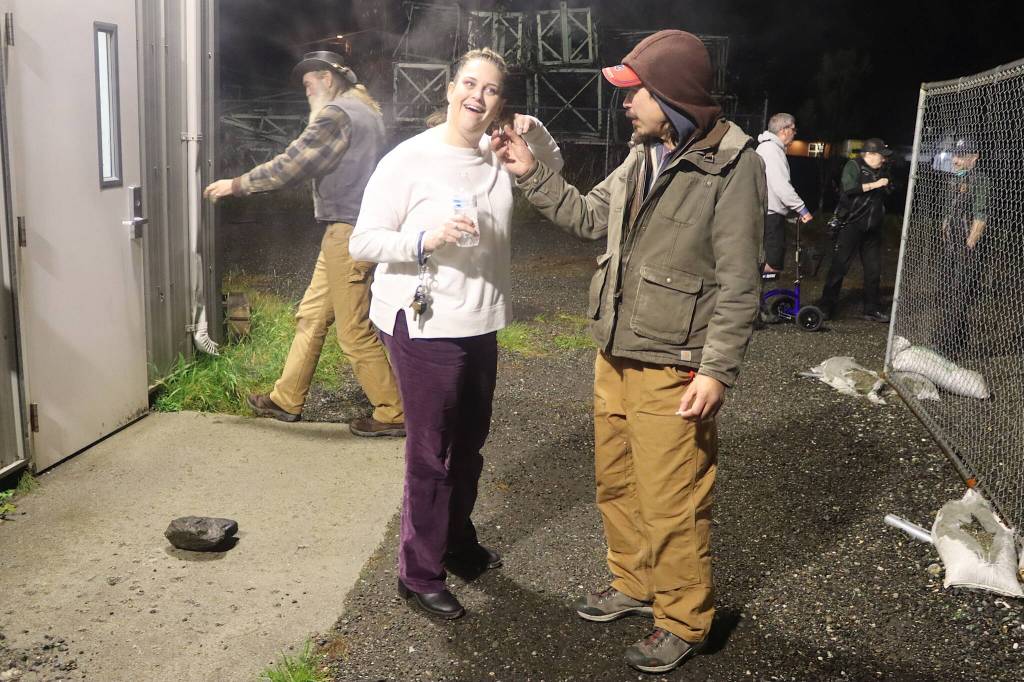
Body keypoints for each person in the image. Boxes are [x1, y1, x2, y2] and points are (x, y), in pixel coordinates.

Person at [492, 30, 764, 674]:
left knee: (673, 497)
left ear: (669, 96)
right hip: (614, 351)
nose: (624, 104)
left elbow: (740, 280)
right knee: (616, 482)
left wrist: (717, 369)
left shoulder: (731, 165)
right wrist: (532, 171)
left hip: (676, 363)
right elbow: (589, 217)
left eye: (634, 91)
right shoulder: (644, 154)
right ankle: (636, 582)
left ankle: (683, 617)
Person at [348, 48, 563, 620]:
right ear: (449, 89)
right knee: (431, 454)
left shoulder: (500, 155)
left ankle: (456, 542)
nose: (478, 96)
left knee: (468, 446)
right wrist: (424, 238)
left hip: (481, 319)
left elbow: (551, 166)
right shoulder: (409, 159)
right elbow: (362, 242)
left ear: (500, 101)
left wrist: (530, 130)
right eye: (470, 83)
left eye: (492, 89)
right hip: (423, 324)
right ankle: (417, 573)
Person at [204, 52, 405, 437]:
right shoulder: (366, 112)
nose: (306, 91)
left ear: (328, 79)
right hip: (347, 230)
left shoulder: (338, 114)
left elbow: (294, 163)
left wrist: (237, 184)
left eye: (309, 83)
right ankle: (286, 397)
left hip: (348, 232)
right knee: (311, 315)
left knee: (353, 330)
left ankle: (395, 410)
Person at [816, 138, 895, 322]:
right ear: (869, 154)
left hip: (872, 228)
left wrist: (887, 185)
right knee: (839, 267)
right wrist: (875, 185)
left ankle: (871, 308)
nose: (883, 160)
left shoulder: (881, 171)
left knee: (873, 270)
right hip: (851, 225)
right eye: (881, 156)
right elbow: (849, 189)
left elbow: (888, 192)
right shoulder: (854, 166)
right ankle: (827, 306)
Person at [935, 137, 989, 358]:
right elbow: (949, 209)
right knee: (948, 290)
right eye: (955, 156)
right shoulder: (955, 178)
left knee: (959, 293)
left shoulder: (979, 180)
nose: (955, 160)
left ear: (974, 157)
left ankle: (947, 343)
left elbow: (981, 216)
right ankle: (956, 340)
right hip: (952, 243)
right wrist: (946, 226)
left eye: (961, 156)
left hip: (967, 245)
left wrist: (970, 243)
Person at [756, 113, 813, 274]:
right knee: (772, 264)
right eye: (793, 129)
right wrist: (802, 209)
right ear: (784, 130)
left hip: (769, 213)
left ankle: (755, 294)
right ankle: (751, 292)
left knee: (770, 263)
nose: (795, 133)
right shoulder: (772, 150)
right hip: (770, 216)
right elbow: (781, 186)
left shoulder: (769, 148)